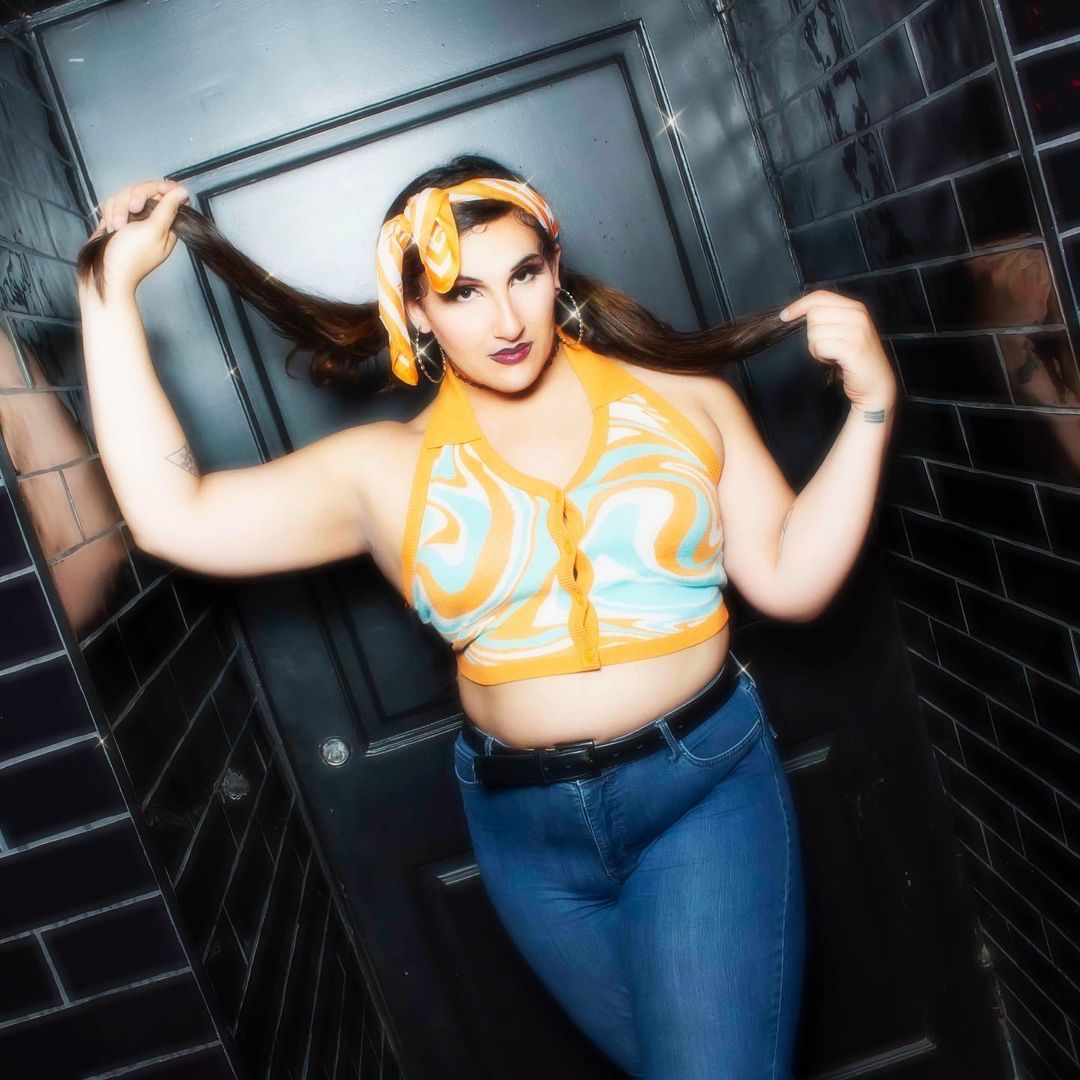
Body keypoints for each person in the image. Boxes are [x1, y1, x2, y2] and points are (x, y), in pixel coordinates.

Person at [77, 155, 898, 1079]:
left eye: (524, 275)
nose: (506, 320)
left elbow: (790, 580)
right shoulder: (385, 471)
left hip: (700, 792)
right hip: (527, 838)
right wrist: (108, 290)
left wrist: (872, 407)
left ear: (556, 267)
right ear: (416, 312)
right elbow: (172, 517)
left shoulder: (684, 403)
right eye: (463, 293)